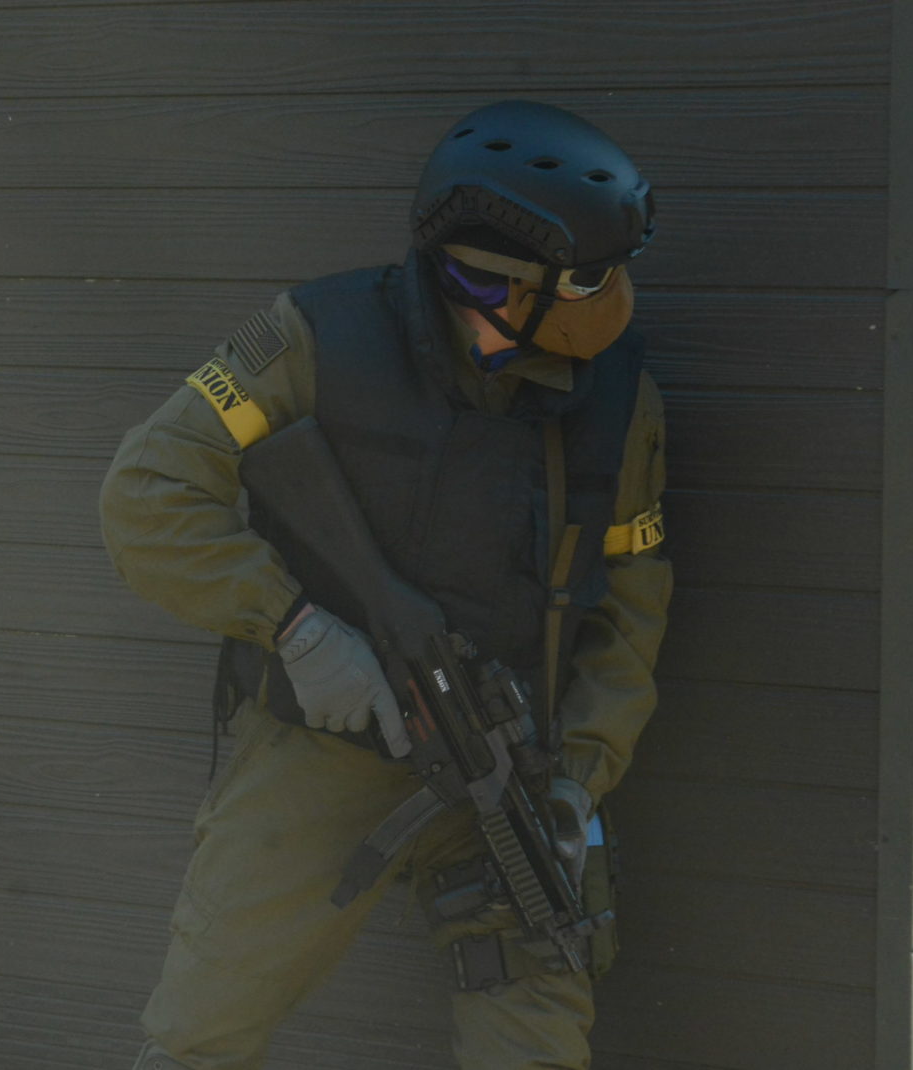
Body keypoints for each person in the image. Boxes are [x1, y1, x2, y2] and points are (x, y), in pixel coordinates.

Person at [98, 100, 674, 1070]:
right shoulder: (315, 337)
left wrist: (579, 777)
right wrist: (294, 627)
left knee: (537, 1032)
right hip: (320, 758)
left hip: (511, 770)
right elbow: (146, 494)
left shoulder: (619, 401)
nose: (608, 297)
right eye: (586, 278)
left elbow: (631, 604)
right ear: (491, 281)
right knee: (203, 1031)